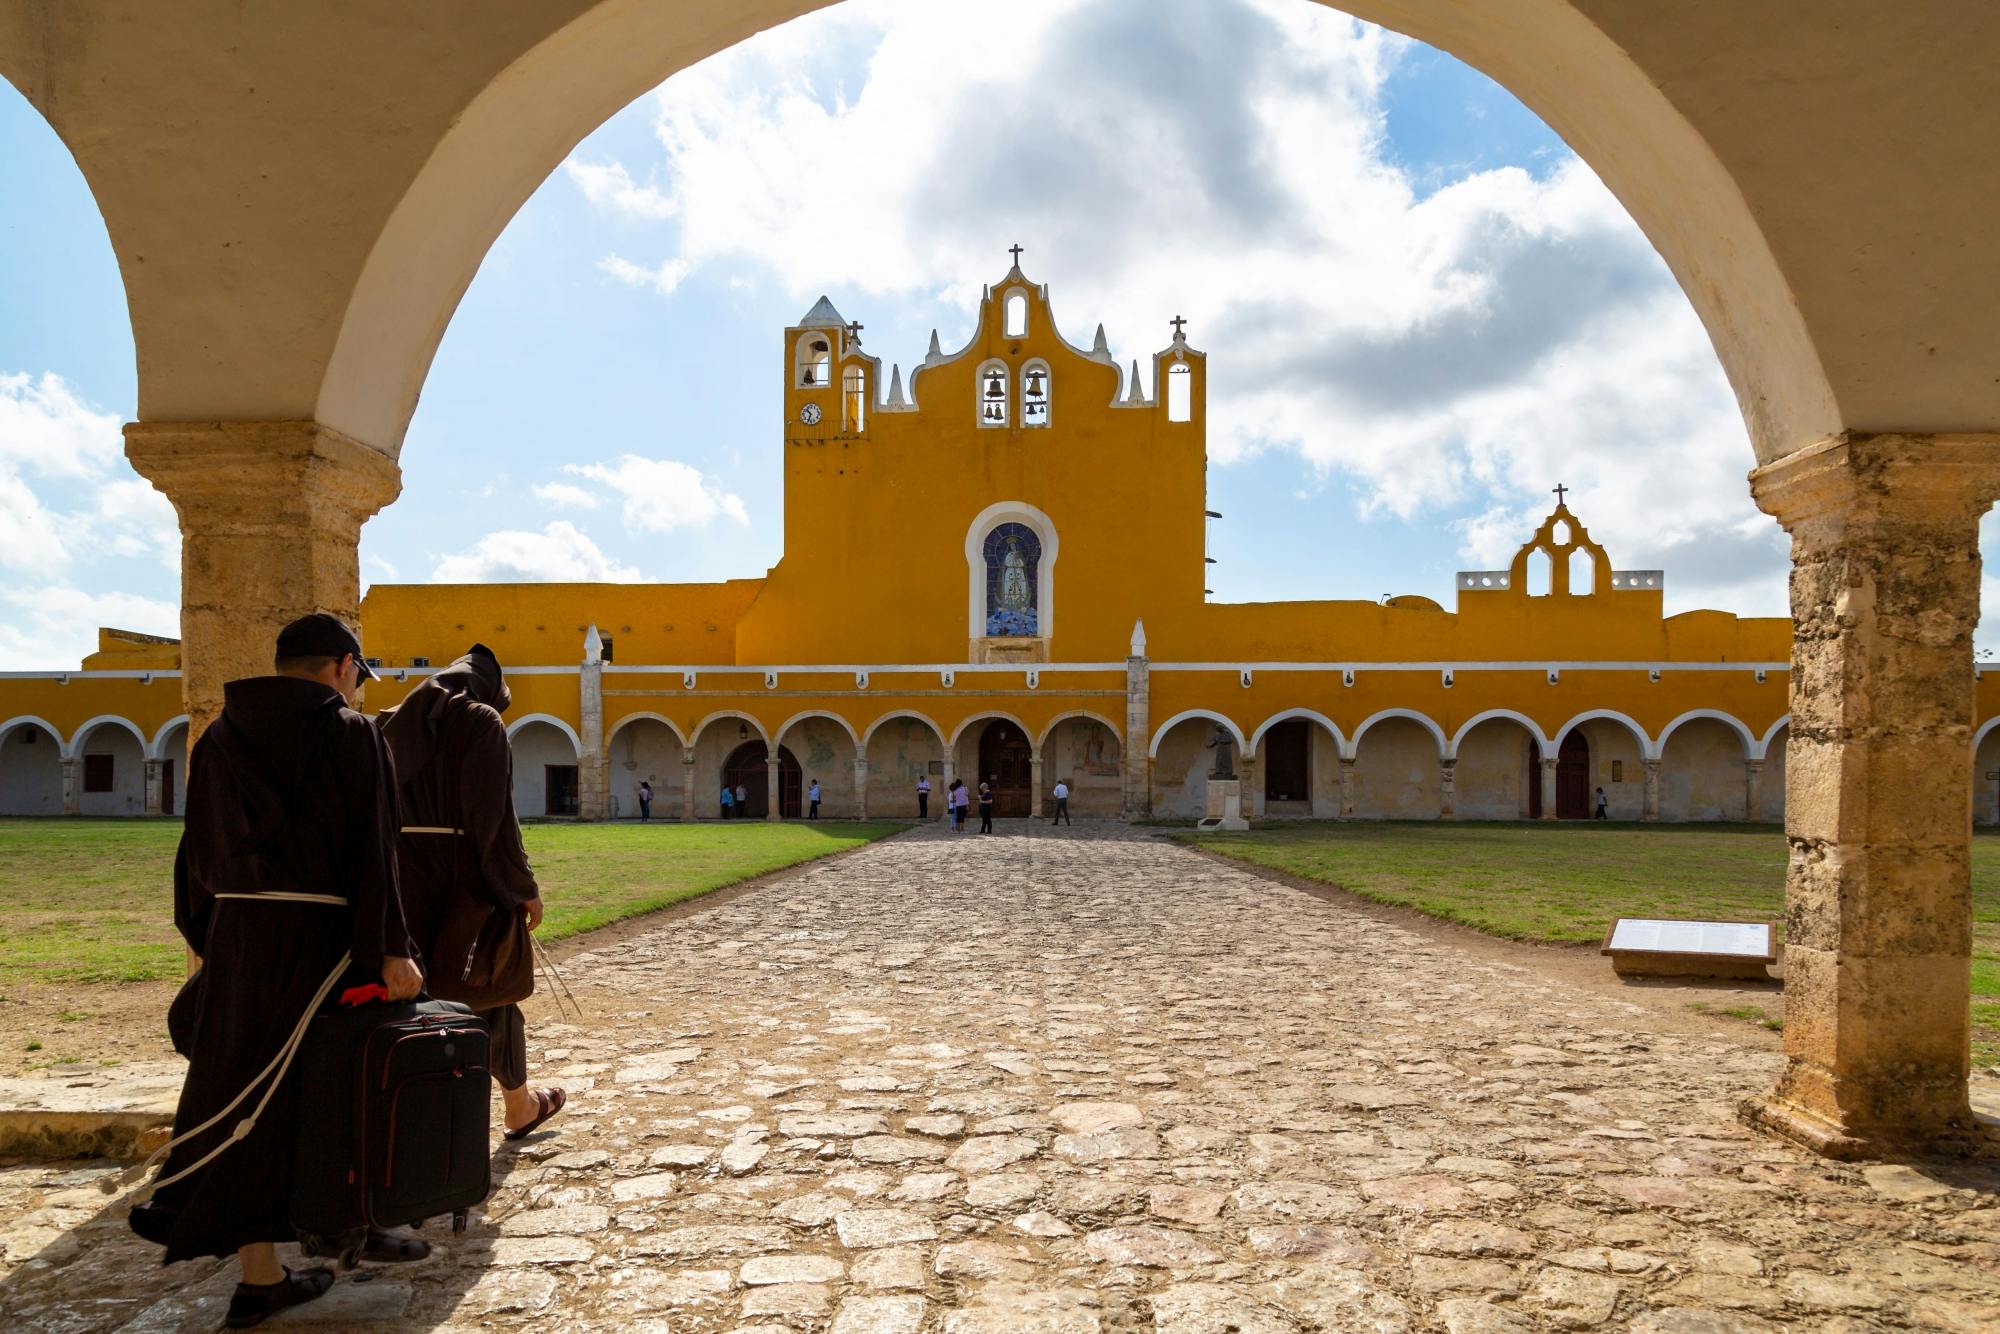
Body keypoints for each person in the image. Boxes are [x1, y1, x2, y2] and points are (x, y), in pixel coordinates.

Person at [129, 613, 423, 1327]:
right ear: (344, 667)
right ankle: (352, 1221)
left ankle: (262, 1274)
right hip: (326, 942)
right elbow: (377, 848)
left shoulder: (219, 738)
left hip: (238, 940)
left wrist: (217, 942)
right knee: (340, 1091)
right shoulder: (351, 733)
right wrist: (391, 949)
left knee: (245, 1102)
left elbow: (194, 858)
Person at [377, 644, 566, 1148]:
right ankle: (514, 1105)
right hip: (464, 883)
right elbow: (495, 817)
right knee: (491, 989)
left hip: (402, 882)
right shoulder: (480, 721)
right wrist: (523, 888)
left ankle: (428, 1110)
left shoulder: (387, 723)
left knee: (415, 998)